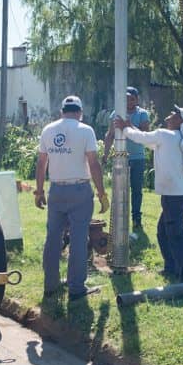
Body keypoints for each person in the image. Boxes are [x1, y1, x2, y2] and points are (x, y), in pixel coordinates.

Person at [35, 95, 109, 301]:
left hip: (56, 191)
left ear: (62, 112)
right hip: (80, 191)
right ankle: (76, 288)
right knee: (78, 239)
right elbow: (93, 164)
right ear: (80, 113)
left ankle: (50, 285)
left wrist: (39, 191)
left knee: (53, 238)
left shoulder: (48, 130)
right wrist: (102, 193)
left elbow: (41, 164)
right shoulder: (86, 130)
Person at [113, 106, 183, 281]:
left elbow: (143, 138)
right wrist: (130, 127)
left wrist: (125, 127)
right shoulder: (175, 137)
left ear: (181, 121)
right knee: (163, 231)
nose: (168, 116)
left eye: (173, 115)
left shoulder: (166, 135)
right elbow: (148, 142)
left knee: (175, 233)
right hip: (179, 193)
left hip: (174, 194)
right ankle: (172, 267)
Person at [102, 86, 151, 229]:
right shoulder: (116, 114)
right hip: (120, 157)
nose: (129, 102)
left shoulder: (142, 114)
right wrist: (105, 154)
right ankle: (119, 217)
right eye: (126, 99)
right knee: (120, 189)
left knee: (136, 190)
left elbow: (145, 134)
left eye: (132, 99)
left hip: (137, 157)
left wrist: (129, 126)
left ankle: (136, 218)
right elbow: (110, 134)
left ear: (137, 100)